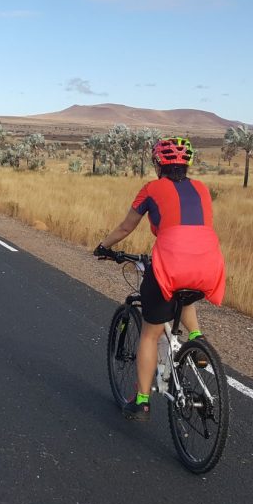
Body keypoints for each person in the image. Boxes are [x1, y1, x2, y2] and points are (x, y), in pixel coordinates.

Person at [94, 137, 225, 421]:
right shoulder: (202, 188)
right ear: (186, 164)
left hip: (171, 264)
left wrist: (104, 247)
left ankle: (141, 401)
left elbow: (127, 226)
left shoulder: (152, 189)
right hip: (208, 265)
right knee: (183, 290)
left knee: (151, 334)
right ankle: (198, 341)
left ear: (158, 164)